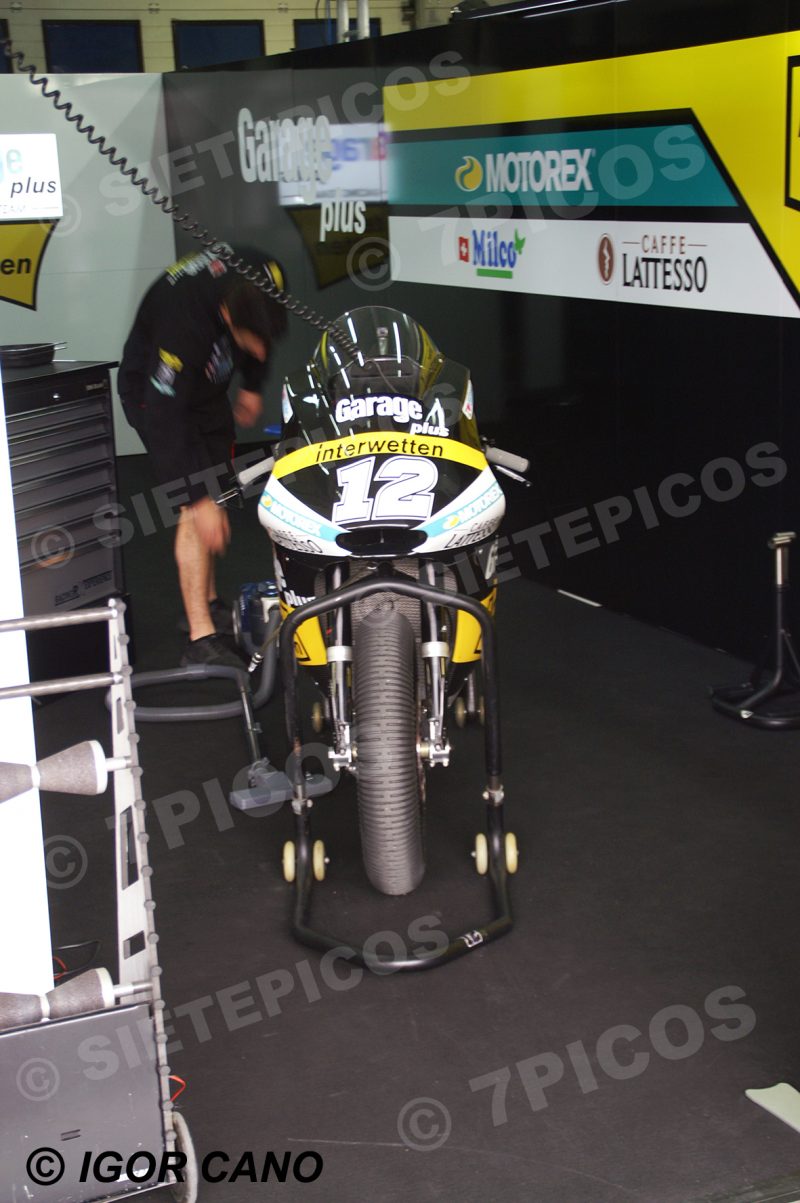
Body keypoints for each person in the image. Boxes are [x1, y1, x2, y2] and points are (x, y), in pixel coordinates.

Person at [117, 243, 288, 668]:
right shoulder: (183, 321)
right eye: (249, 340)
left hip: (206, 392)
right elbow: (164, 416)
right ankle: (200, 638)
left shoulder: (262, 272)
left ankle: (208, 601)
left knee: (220, 494)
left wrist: (251, 383)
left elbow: (260, 338)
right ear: (228, 317)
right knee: (198, 511)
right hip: (157, 400)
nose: (260, 350)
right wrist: (194, 497)